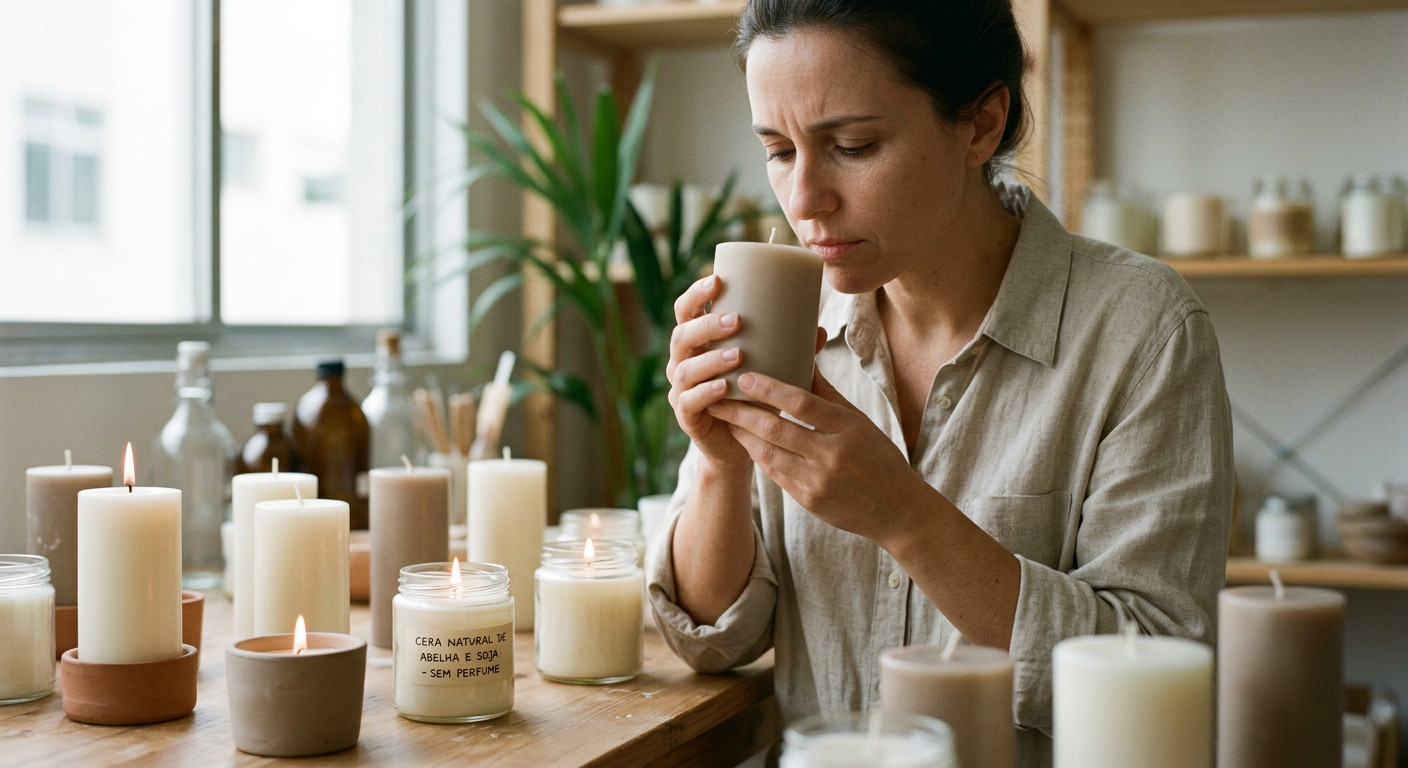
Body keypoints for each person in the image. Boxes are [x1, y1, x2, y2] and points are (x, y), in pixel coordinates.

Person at [648, 0, 1233, 764]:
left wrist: (907, 518)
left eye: (852, 146)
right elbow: (713, 640)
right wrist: (721, 465)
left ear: (982, 124)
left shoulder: (1143, 332)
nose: (803, 201)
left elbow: (1155, 670)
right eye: (780, 150)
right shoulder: (791, 320)